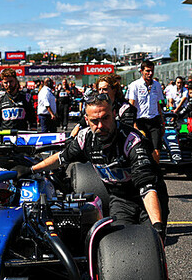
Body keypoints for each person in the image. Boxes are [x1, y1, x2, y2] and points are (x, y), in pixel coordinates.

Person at [25, 93, 165, 239]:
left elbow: (147, 187)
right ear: (87, 120)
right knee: (122, 242)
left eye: (105, 118)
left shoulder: (132, 141)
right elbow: (61, 158)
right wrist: (31, 169)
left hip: (150, 196)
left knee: (152, 240)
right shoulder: (85, 138)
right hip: (120, 199)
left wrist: (157, 226)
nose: (100, 126)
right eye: (94, 121)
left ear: (114, 114)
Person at [126, 60, 165, 163]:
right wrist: (133, 124)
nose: (150, 73)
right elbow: (131, 105)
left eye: (152, 71)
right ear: (142, 71)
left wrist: (162, 122)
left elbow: (158, 104)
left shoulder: (157, 85)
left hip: (154, 120)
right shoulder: (135, 85)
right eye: (147, 71)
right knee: (143, 149)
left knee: (156, 150)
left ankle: (156, 169)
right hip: (140, 121)